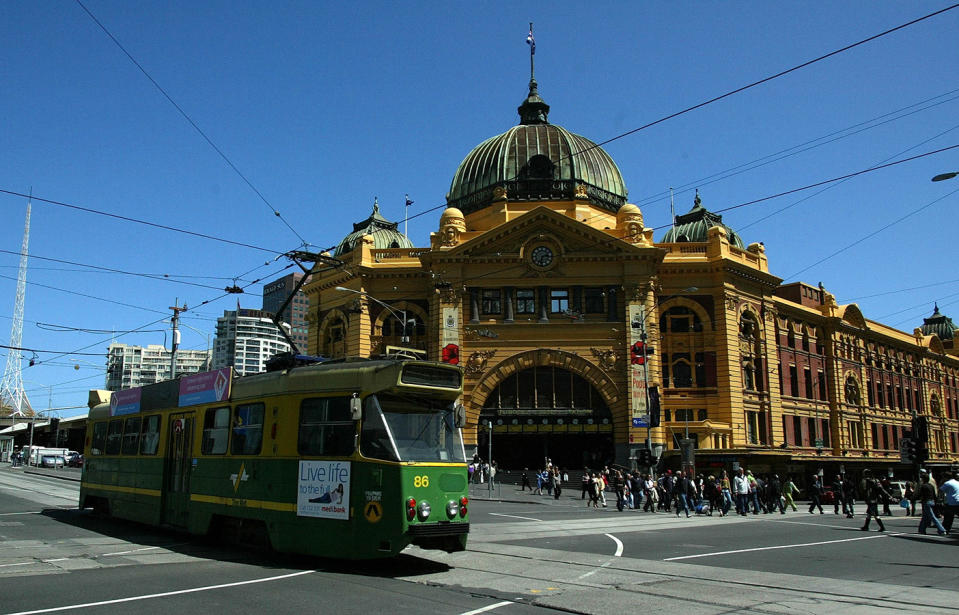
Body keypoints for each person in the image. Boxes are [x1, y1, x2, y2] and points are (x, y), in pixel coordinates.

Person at [916, 469, 947, 536]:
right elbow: (934, 495)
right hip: (932, 501)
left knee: (932, 517)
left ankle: (942, 530)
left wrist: (916, 498)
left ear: (923, 479)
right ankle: (921, 530)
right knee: (925, 516)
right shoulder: (931, 485)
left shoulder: (923, 486)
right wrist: (936, 502)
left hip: (926, 502)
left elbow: (920, 495)